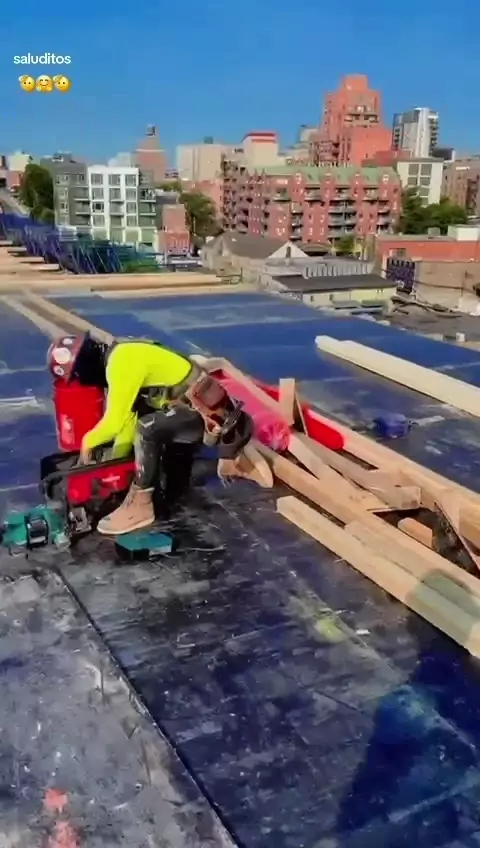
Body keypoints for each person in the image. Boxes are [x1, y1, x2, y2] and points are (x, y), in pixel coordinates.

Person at [47, 333, 272, 535]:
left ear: (83, 369)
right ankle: (218, 471)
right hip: (185, 413)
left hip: (207, 415)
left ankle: (140, 507)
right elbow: (127, 421)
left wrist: (88, 443)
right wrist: (113, 467)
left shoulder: (121, 363)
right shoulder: (120, 354)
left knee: (147, 429)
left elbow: (115, 422)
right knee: (169, 480)